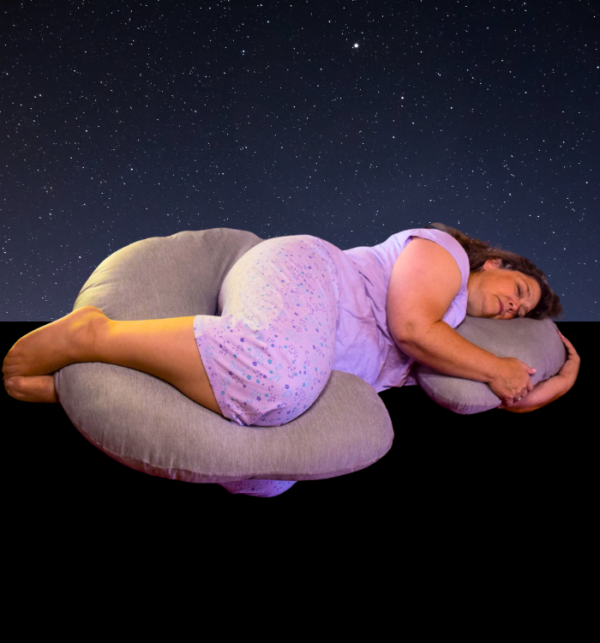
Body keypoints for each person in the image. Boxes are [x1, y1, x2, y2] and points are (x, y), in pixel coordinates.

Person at [3, 224, 579, 419]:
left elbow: (504, 397)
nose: (514, 308)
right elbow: (410, 327)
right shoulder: (444, 254)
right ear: (497, 263)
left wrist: (552, 385)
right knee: (274, 380)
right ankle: (95, 334)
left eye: (522, 313)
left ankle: (91, 391)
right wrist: (500, 367)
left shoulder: (453, 337)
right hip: (307, 275)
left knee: (266, 478)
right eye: (520, 290)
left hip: (316, 348)